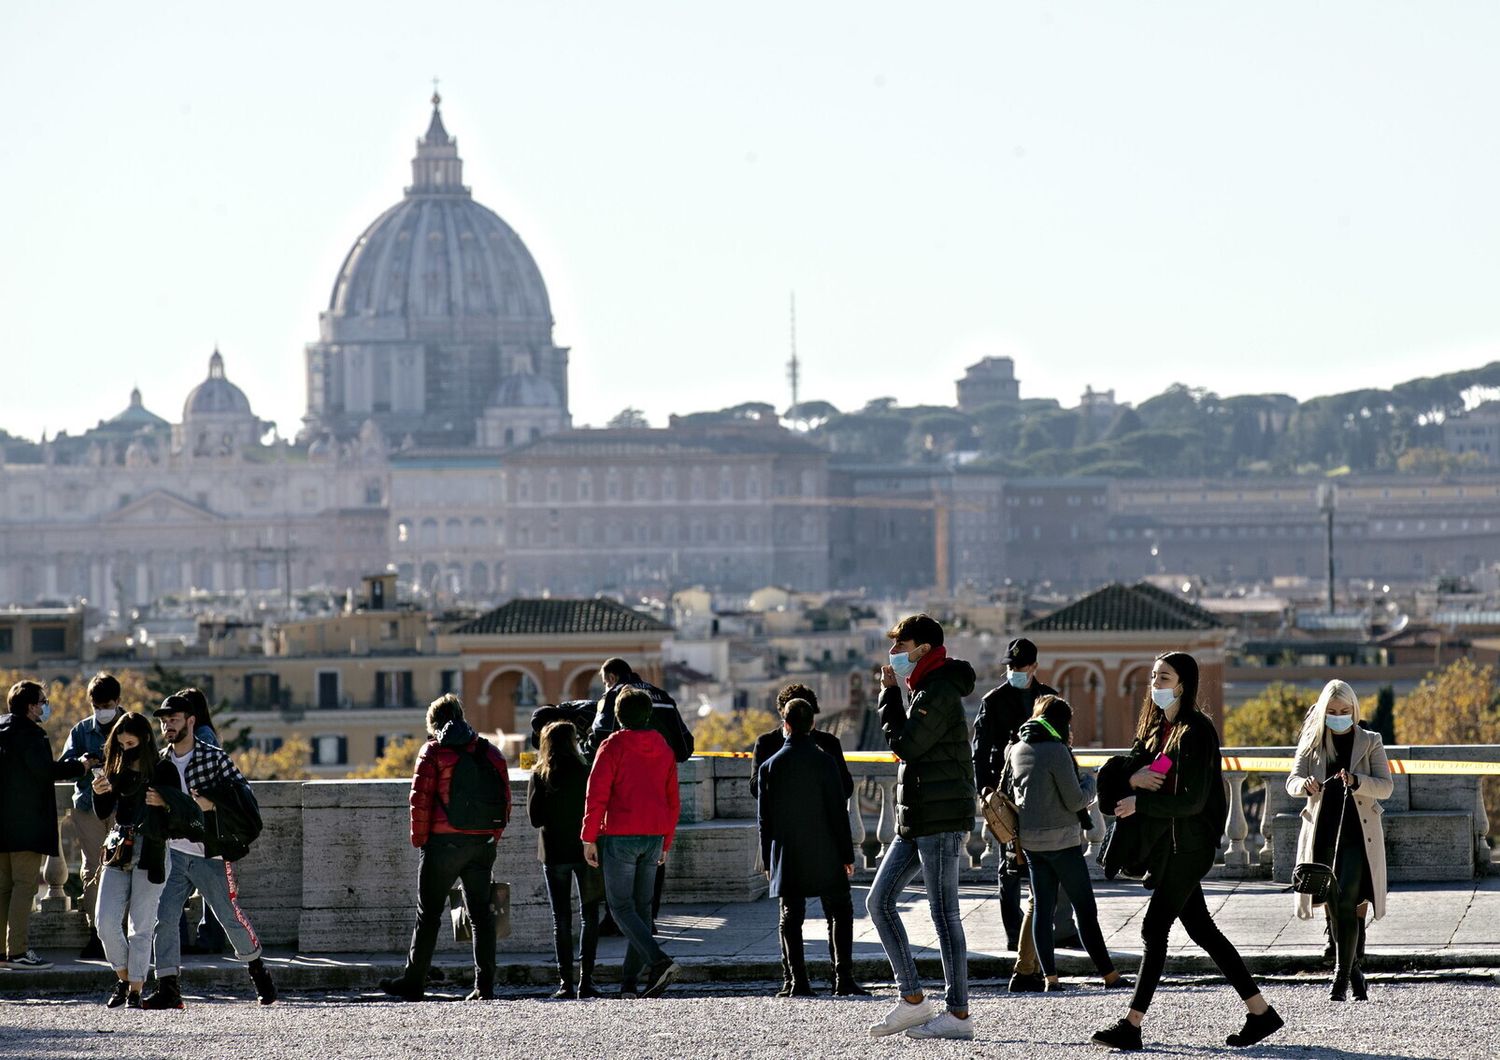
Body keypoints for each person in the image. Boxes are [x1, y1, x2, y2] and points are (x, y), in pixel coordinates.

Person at [1091, 651, 1282, 1052]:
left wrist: (1142, 803)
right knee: (1201, 929)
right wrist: (1132, 779)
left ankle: (1132, 1025)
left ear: (1183, 684)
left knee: (1152, 929)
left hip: (1190, 846)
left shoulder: (1197, 731)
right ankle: (1261, 1013)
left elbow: (1193, 801)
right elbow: (1140, 770)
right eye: (1154, 677)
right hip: (1169, 846)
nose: (1156, 685)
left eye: (1164, 678)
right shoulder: (1157, 727)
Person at [867, 614, 976, 1041]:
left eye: (901, 645)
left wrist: (886, 695)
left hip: (940, 818)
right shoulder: (926, 687)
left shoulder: (940, 688)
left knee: (944, 915)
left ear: (924, 649)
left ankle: (959, 1013)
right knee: (879, 902)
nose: (894, 654)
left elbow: (906, 745)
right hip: (917, 817)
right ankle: (913, 999)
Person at [143, 693, 276, 1009]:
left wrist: (212, 803)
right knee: (164, 917)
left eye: (173, 720)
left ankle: (258, 971)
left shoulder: (215, 758)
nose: (167, 726)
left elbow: (244, 799)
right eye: (163, 721)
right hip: (174, 851)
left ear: (190, 721)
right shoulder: (160, 762)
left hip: (209, 853)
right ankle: (168, 987)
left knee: (230, 917)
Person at [381, 693, 511, 1002]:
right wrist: (492, 835)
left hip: (442, 844)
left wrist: (421, 840)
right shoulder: (489, 751)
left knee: (428, 914)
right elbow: (505, 799)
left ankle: (414, 981)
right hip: (481, 843)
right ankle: (484, 985)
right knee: (481, 915)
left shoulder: (433, 752)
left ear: (433, 724)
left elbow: (420, 800)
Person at [1006, 695, 1128, 992]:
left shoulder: (1017, 748)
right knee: (1086, 909)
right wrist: (1091, 780)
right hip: (1062, 842)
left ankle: (1050, 979)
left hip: (1032, 844)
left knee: (1042, 909)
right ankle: (1109, 975)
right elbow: (1075, 800)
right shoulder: (1057, 751)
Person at [750, 683, 865, 997]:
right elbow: (843, 798)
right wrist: (847, 854)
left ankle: (796, 981)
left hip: (787, 847)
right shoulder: (826, 750)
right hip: (825, 843)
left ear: (784, 719)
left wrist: (767, 855)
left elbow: (763, 813)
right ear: (813, 719)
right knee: (839, 910)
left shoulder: (767, 756)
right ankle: (843, 979)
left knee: (791, 914)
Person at [1286, 679, 1391, 1002]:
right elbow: (1290, 782)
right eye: (1332, 711)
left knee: (1349, 903)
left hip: (1359, 837)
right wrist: (1305, 784)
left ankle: (1340, 978)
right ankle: (1356, 972)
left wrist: (1358, 781)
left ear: (1354, 710)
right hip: (1323, 836)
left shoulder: (1370, 740)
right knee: (1334, 909)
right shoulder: (1312, 740)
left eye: (1345, 711)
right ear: (1322, 711)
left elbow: (1385, 786)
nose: (1338, 716)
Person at [582, 688, 681, 999]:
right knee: (641, 909)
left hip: (621, 834)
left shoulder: (612, 746)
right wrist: (666, 840)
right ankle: (629, 983)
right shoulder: (662, 747)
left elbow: (596, 793)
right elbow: (672, 799)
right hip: (653, 835)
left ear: (618, 716)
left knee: (621, 907)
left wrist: (588, 836)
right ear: (648, 714)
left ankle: (659, 960)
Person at [586, 658, 693, 927]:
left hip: (621, 819)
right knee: (646, 903)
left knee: (620, 903)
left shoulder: (613, 698)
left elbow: (595, 752)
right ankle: (648, 933)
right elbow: (685, 747)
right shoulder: (662, 696)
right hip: (656, 821)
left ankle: (629, 933)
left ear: (610, 677)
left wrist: (588, 836)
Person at [0, 680, 94, 969]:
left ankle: (1, 953)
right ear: (31, 706)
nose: (45, 706)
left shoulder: (1, 729)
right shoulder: (32, 735)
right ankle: (17, 952)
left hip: (2, 824)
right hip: (26, 825)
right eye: (42, 701)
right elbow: (45, 772)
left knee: (2, 888)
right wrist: (82, 765)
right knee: (24, 886)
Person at [973, 638, 1056, 954]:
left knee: (1045, 862)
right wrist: (985, 792)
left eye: (1020, 667)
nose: (1015, 671)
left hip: (1040, 792)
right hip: (1004, 794)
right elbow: (979, 750)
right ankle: (1014, 934)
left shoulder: (1049, 699)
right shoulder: (993, 701)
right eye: (1011, 667)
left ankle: (1044, 930)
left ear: (1034, 667)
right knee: (1008, 867)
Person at [91, 711, 178, 1008]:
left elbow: (179, 812)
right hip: (120, 848)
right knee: (105, 922)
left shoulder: (163, 769)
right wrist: (99, 792)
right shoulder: (117, 767)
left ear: (144, 740)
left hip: (152, 849)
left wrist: (165, 802)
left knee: (141, 925)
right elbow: (104, 812)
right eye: (122, 743)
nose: (127, 748)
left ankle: (135, 990)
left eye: (131, 743)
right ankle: (125, 977)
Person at [529, 720, 603, 999]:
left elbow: (535, 819)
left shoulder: (540, 775)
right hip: (585, 850)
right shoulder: (586, 771)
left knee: (561, 918)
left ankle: (565, 982)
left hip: (554, 851)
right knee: (590, 915)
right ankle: (587, 980)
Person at [62, 673, 126, 959]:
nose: (102, 711)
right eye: (97, 706)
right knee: (92, 868)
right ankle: (96, 931)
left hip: (121, 806)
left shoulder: (131, 726)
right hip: (88, 806)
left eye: (107, 705)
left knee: (123, 866)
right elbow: (65, 765)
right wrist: (84, 763)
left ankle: (119, 929)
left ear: (118, 702)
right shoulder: (81, 730)